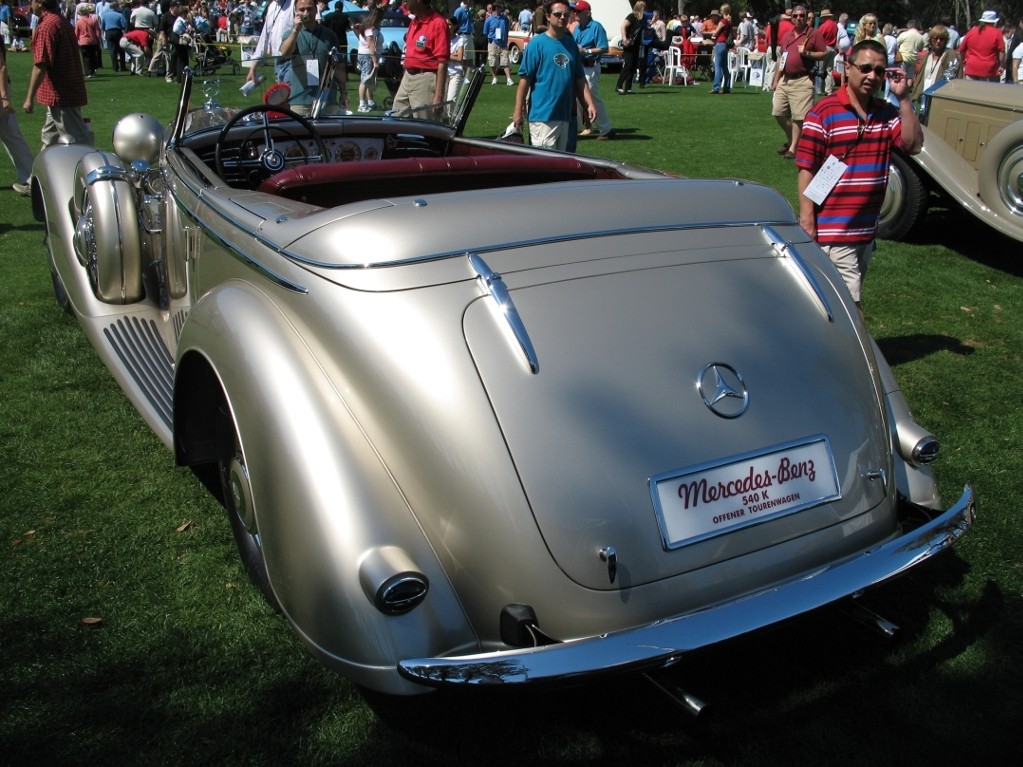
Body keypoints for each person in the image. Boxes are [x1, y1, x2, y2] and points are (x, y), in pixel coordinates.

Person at [795, 39, 923, 311]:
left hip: (865, 232)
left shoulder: (887, 114)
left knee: (833, 307)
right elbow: (807, 167)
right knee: (851, 310)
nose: (872, 76)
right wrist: (808, 221)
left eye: (879, 71)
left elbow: (913, 145)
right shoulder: (824, 112)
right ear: (847, 67)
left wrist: (903, 98)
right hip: (833, 231)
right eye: (865, 68)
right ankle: (858, 354)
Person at [513, 0, 595, 151]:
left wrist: (589, 105)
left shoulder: (571, 45)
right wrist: (518, 110)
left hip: (565, 115)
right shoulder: (536, 44)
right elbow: (525, 81)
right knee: (543, 166)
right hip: (543, 116)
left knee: (562, 165)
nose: (562, 17)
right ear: (548, 16)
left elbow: (580, 80)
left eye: (566, 14)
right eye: (558, 14)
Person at [24, 0, 90, 147]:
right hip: (62, 93)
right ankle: (41, 170)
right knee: (50, 140)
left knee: (78, 141)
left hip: (60, 95)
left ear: (40, 3)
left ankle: (90, 168)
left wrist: (29, 98)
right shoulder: (60, 21)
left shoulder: (48, 26)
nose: (30, 3)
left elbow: (40, 65)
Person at [770, 3, 824, 159]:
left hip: (803, 79)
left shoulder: (813, 34)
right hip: (785, 80)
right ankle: (793, 140)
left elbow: (824, 53)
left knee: (799, 117)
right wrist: (776, 80)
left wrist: (807, 53)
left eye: (802, 15)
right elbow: (782, 59)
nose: (799, 18)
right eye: (795, 16)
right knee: (778, 112)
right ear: (791, 18)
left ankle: (793, 148)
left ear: (807, 18)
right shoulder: (787, 35)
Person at [279, 0, 344, 115]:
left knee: (329, 132)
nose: (306, 13)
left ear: (316, 10)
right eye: (301, 9)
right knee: (301, 132)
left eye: (309, 9)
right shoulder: (291, 34)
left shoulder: (329, 35)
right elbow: (285, 53)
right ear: (295, 11)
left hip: (327, 97)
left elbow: (338, 66)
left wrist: (344, 92)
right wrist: (295, 30)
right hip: (300, 98)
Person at [391, 0, 448, 118]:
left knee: (424, 125)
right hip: (407, 78)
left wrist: (439, 96)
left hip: (425, 79)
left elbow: (442, 62)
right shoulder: (414, 21)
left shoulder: (438, 23)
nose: (403, 2)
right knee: (396, 119)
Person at [571, 0, 612, 140]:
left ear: (587, 12)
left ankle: (606, 129)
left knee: (592, 98)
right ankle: (576, 128)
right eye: (575, 11)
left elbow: (604, 48)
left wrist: (585, 50)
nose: (576, 14)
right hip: (579, 66)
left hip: (590, 65)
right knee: (576, 98)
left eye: (579, 11)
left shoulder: (596, 27)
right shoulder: (577, 28)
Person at [1, 34, 34, 195]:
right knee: (12, 135)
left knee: (12, 135)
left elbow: (1, 66)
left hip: (2, 92)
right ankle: (31, 176)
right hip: (4, 90)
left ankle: (31, 176)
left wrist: (3, 96)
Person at [244, 0, 295, 87]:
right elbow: (265, 37)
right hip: (277, 62)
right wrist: (253, 67)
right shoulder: (271, 7)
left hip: (294, 61)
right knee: (282, 96)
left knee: (290, 95)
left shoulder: (294, 4)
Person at [910, 25, 959, 110]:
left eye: (941, 39)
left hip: (940, 98)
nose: (938, 42)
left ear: (946, 40)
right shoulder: (927, 55)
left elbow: (956, 78)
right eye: (935, 39)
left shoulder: (951, 55)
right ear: (930, 40)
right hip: (925, 95)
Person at [958, 10, 1005, 82]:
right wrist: (1001, 66)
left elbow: (961, 49)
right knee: (987, 92)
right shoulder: (997, 33)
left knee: (971, 91)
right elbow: (1001, 52)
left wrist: (963, 63)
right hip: (989, 69)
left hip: (971, 67)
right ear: (994, 22)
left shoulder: (972, 31)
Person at [615, 1, 645, 95]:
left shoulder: (641, 18)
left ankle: (628, 87)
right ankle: (619, 85)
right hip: (629, 43)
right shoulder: (631, 16)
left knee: (633, 65)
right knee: (628, 65)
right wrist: (624, 38)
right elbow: (623, 26)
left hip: (636, 44)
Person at [355, 3, 380, 112]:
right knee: (365, 80)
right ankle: (362, 104)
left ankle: (370, 102)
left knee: (369, 80)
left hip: (364, 55)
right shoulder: (369, 29)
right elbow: (371, 46)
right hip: (367, 56)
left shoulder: (367, 27)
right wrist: (375, 62)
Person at [483, 2, 513, 85]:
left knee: (505, 60)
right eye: (499, 7)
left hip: (503, 42)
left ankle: (509, 79)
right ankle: (494, 77)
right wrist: (490, 39)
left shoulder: (505, 18)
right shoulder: (489, 19)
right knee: (492, 61)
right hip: (493, 42)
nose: (501, 9)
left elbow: (507, 29)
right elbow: (485, 31)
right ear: (495, 8)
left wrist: (506, 38)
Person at [709, 6, 732, 95]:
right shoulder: (729, 21)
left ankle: (716, 87)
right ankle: (727, 87)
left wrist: (712, 33)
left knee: (717, 66)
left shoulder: (723, 21)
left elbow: (716, 33)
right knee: (724, 67)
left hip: (720, 43)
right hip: (725, 45)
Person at [75, 4, 103, 78]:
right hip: (93, 41)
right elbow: (97, 32)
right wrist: (98, 40)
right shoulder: (93, 21)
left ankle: (88, 72)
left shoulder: (79, 22)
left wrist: (76, 41)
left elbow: (76, 33)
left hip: (83, 42)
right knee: (93, 56)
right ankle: (93, 71)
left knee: (85, 58)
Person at [816, 9, 838, 95]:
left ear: (824, 17)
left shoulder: (823, 26)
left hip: (824, 48)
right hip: (832, 48)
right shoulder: (835, 25)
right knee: (829, 70)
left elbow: (819, 38)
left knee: (820, 70)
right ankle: (828, 90)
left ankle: (819, 89)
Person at [100, 1, 128, 71]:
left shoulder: (105, 15)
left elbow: (102, 26)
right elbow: (124, 25)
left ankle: (115, 67)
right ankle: (123, 66)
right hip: (117, 32)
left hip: (109, 32)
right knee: (121, 50)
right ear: (116, 7)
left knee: (112, 50)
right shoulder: (119, 15)